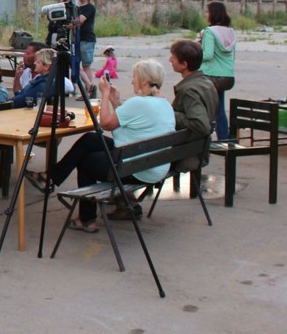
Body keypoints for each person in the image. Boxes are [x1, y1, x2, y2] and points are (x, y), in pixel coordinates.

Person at [26, 59, 175, 232]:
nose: (132, 81)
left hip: (138, 170)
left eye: (134, 77)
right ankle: (50, 178)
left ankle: (86, 219)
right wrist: (115, 101)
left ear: (143, 80)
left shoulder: (138, 103)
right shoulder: (163, 103)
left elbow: (105, 124)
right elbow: (129, 121)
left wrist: (104, 95)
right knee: (90, 139)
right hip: (151, 164)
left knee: (87, 161)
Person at [169, 40, 218, 172]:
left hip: (186, 156)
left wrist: (170, 113)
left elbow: (201, 125)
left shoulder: (189, 90)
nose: (170, 60)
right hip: (198, 150)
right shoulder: (206, 83)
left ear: (184, 64)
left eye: (173, 58)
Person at [199, 1, 236, 140]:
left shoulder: (209, 32)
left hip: (211, 76)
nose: (206, 14)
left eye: (207, 12)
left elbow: (208, 55)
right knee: (219, 108)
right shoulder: (229, 31)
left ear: (213, 14)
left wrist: (194, 54)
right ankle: (224, 138)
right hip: (227, 76)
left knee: (206, 108)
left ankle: (204, 140)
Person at [68, 0, 97, 97]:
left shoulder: (89, 7)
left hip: (87, 39)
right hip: (78, 39)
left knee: (86, 65)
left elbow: (80, 20)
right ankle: (89, 87)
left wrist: (70, 25)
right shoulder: (78, 8)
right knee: (74, 63)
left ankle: (89, 91)